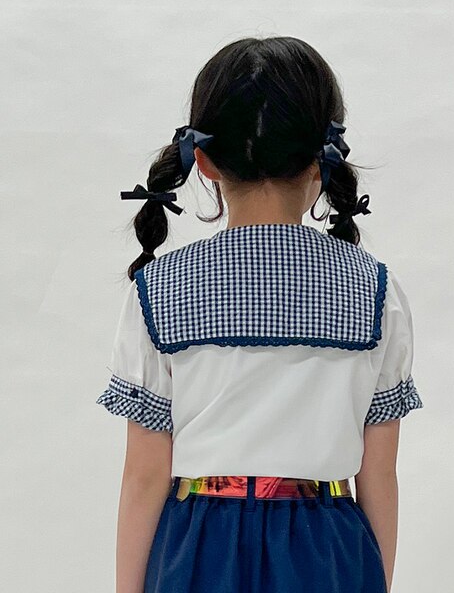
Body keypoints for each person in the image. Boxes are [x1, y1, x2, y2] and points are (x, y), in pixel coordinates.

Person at [96, 36, 424, 593]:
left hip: (197, 548)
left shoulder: (159, 287)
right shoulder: (375, 288)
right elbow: (379, 475)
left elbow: (145, 476)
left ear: (203, 160)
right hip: (328, 549)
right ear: (324, 159)